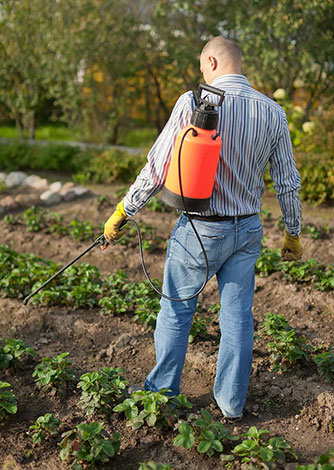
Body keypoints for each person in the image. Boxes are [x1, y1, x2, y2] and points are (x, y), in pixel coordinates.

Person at [104, 36, 303, 421]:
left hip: (200, 229)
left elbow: (159, 165)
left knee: (177, 310)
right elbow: (287, 182)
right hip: (247, 230)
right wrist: (292, 232)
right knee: (238, 317)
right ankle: (231, 403)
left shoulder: (195, 103)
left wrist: (124, 212)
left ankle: (161, 393)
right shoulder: (273, 112)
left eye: (201, 66)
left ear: (211, 61)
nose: (200, 73)